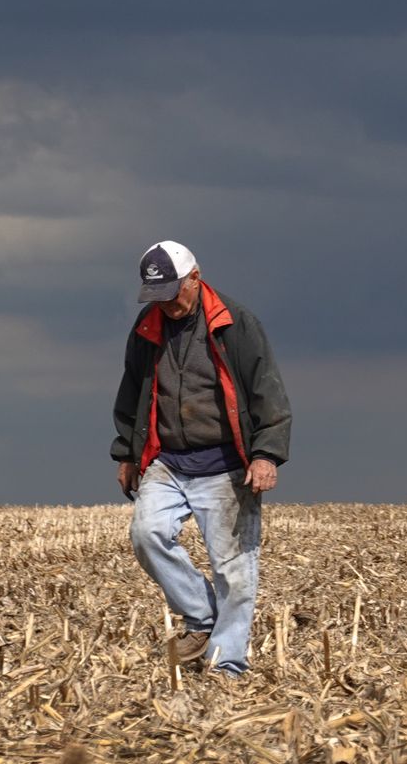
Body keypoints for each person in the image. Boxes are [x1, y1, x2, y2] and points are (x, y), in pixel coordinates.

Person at [111, 240, 292, 677]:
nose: (167, 306)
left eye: (174, 294)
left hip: (227, 464)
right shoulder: (147, 325)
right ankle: (201, 616)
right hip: (168, 461)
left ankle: (226, 665)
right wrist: (128, 454)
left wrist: (266, 454)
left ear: (196, 278)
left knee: (235, 569)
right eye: (157, 297)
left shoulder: (236, 323)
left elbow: (266, 390)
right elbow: (133, 390)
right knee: (146, 534)